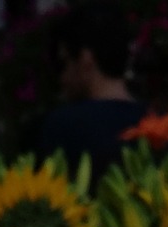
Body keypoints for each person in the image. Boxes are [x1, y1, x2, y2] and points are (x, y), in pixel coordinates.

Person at [38, 1, 145, 182]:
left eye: (63, 64)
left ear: (86, 59)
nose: (62, 79)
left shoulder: (64, 125)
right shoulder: (159, 125)